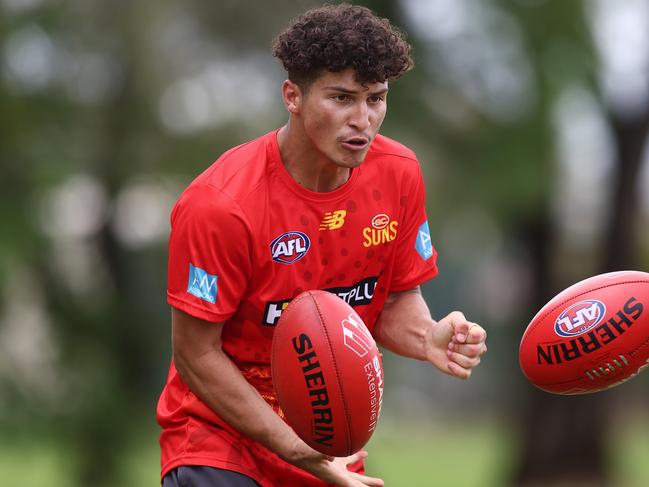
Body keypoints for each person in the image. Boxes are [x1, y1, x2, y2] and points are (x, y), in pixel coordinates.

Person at [156, 4, 488, 487]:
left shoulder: (398, 174)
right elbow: (195, 354)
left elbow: (391, 298)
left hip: (327, 446)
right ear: (293, 96)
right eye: (341, 98)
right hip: (218, 446)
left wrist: (427, 336)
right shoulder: (220, 206)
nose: (363, 120)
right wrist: (296, 450)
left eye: (375, 99)